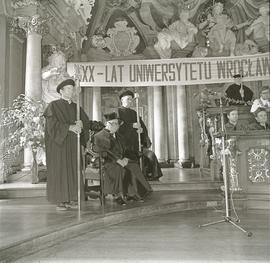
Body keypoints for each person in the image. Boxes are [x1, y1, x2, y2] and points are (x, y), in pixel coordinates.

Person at [44, 78, 90, 211]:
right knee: (61, 171)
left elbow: (86, 122)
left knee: (72, 169)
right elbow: (51, 126)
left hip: (73, 144)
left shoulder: (77, 107)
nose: (71, 91)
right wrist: (69, 128)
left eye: (72, 89)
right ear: (61, 91)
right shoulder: (53, 105)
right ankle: (60, 200)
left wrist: (82, 124)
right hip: (59, 145)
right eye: (69, 89)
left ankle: (71, 198)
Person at [94, 112, 152, 204]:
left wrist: (126, 158)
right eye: (115, 124)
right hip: (107, 162)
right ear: (107, 124)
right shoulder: (99, 136)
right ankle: (118, 195)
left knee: (134, 166)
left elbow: (126, 149)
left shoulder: (119, 136)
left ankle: (134, 193)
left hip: (121, 160)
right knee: (120, 169)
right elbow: (104, 152)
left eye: (118, 124)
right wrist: (118, 160)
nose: (117, 126)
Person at [117, 90, 163, 181]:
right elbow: (118, 127)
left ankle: (152, 177)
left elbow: (142, 126)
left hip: (136, 145)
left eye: (131, 100)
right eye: (128, 99)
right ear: (122, 100)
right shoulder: (118, 112)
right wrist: (131, 126)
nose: (130, 101)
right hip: (124, 146)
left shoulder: (134, 113)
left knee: (151, 155)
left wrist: (141, 131)